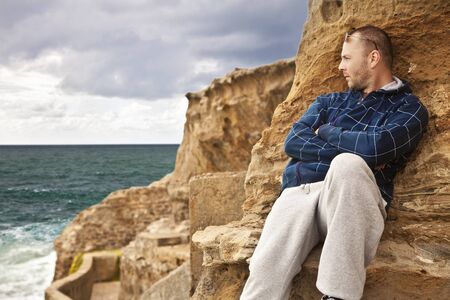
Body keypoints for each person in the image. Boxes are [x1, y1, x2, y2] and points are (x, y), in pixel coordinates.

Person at [239, 25, 429, 300]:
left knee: (349, 166)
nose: (340, 66)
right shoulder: (329, 102)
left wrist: (327, 132)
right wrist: (355, 148)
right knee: (263, 275)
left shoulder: (409, 109)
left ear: (373, 58)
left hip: (350, 200)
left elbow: (376, 148)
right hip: (300, 191)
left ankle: (337, 296)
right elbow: (294, 142)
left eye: (347, 58)